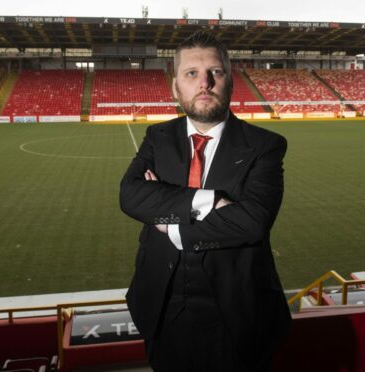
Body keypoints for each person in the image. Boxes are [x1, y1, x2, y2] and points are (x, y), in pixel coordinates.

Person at [120, 30, 291, 372]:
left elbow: (252, 222)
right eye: (192, 73)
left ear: (231, 81)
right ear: (175, 87)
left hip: (238, 316)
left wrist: (170, 227)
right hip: (162, 312)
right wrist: (211, 201)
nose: (205, 82)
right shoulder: (159, 136)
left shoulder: (265, 146)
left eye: (216, 72)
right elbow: (131, 194)